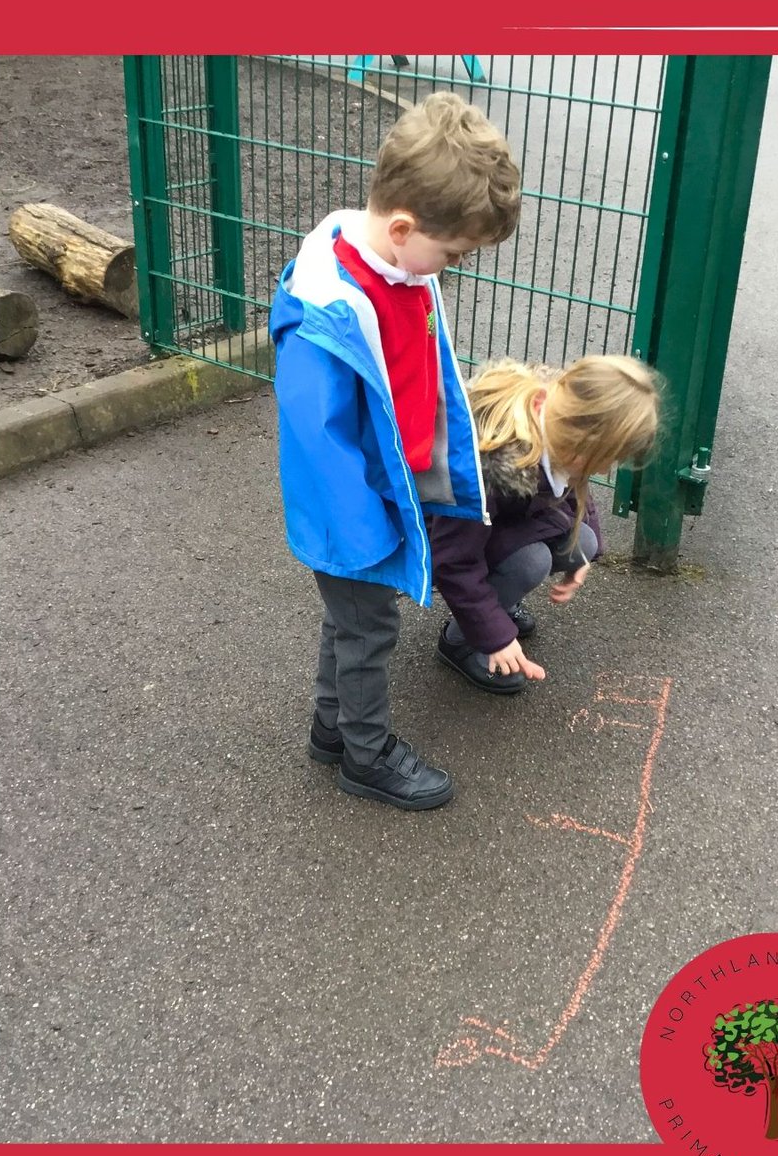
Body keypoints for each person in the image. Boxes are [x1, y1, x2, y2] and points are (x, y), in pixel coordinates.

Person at [268, 92, 522, 812]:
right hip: (356, 511)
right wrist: (365, 536)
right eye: (456, 252)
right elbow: (321, 445)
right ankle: (367, 756)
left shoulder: (404, 269)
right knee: (370, 627)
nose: (457, 265)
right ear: (405, 227)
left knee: (352, 622)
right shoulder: (328, 312)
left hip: (390, 489)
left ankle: (331, 729)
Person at [429, 355, 662, 693]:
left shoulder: (557, 425)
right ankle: (460, 640)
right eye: (601, 460)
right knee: (531, 561)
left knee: (582, 543)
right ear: (578, 436)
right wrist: (496, 639)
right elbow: (451, 561)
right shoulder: (485, 463)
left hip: (498, 524)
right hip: (446, 537)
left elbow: (572, 484)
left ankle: (497, 606)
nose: (602, 471)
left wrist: (584, 554)